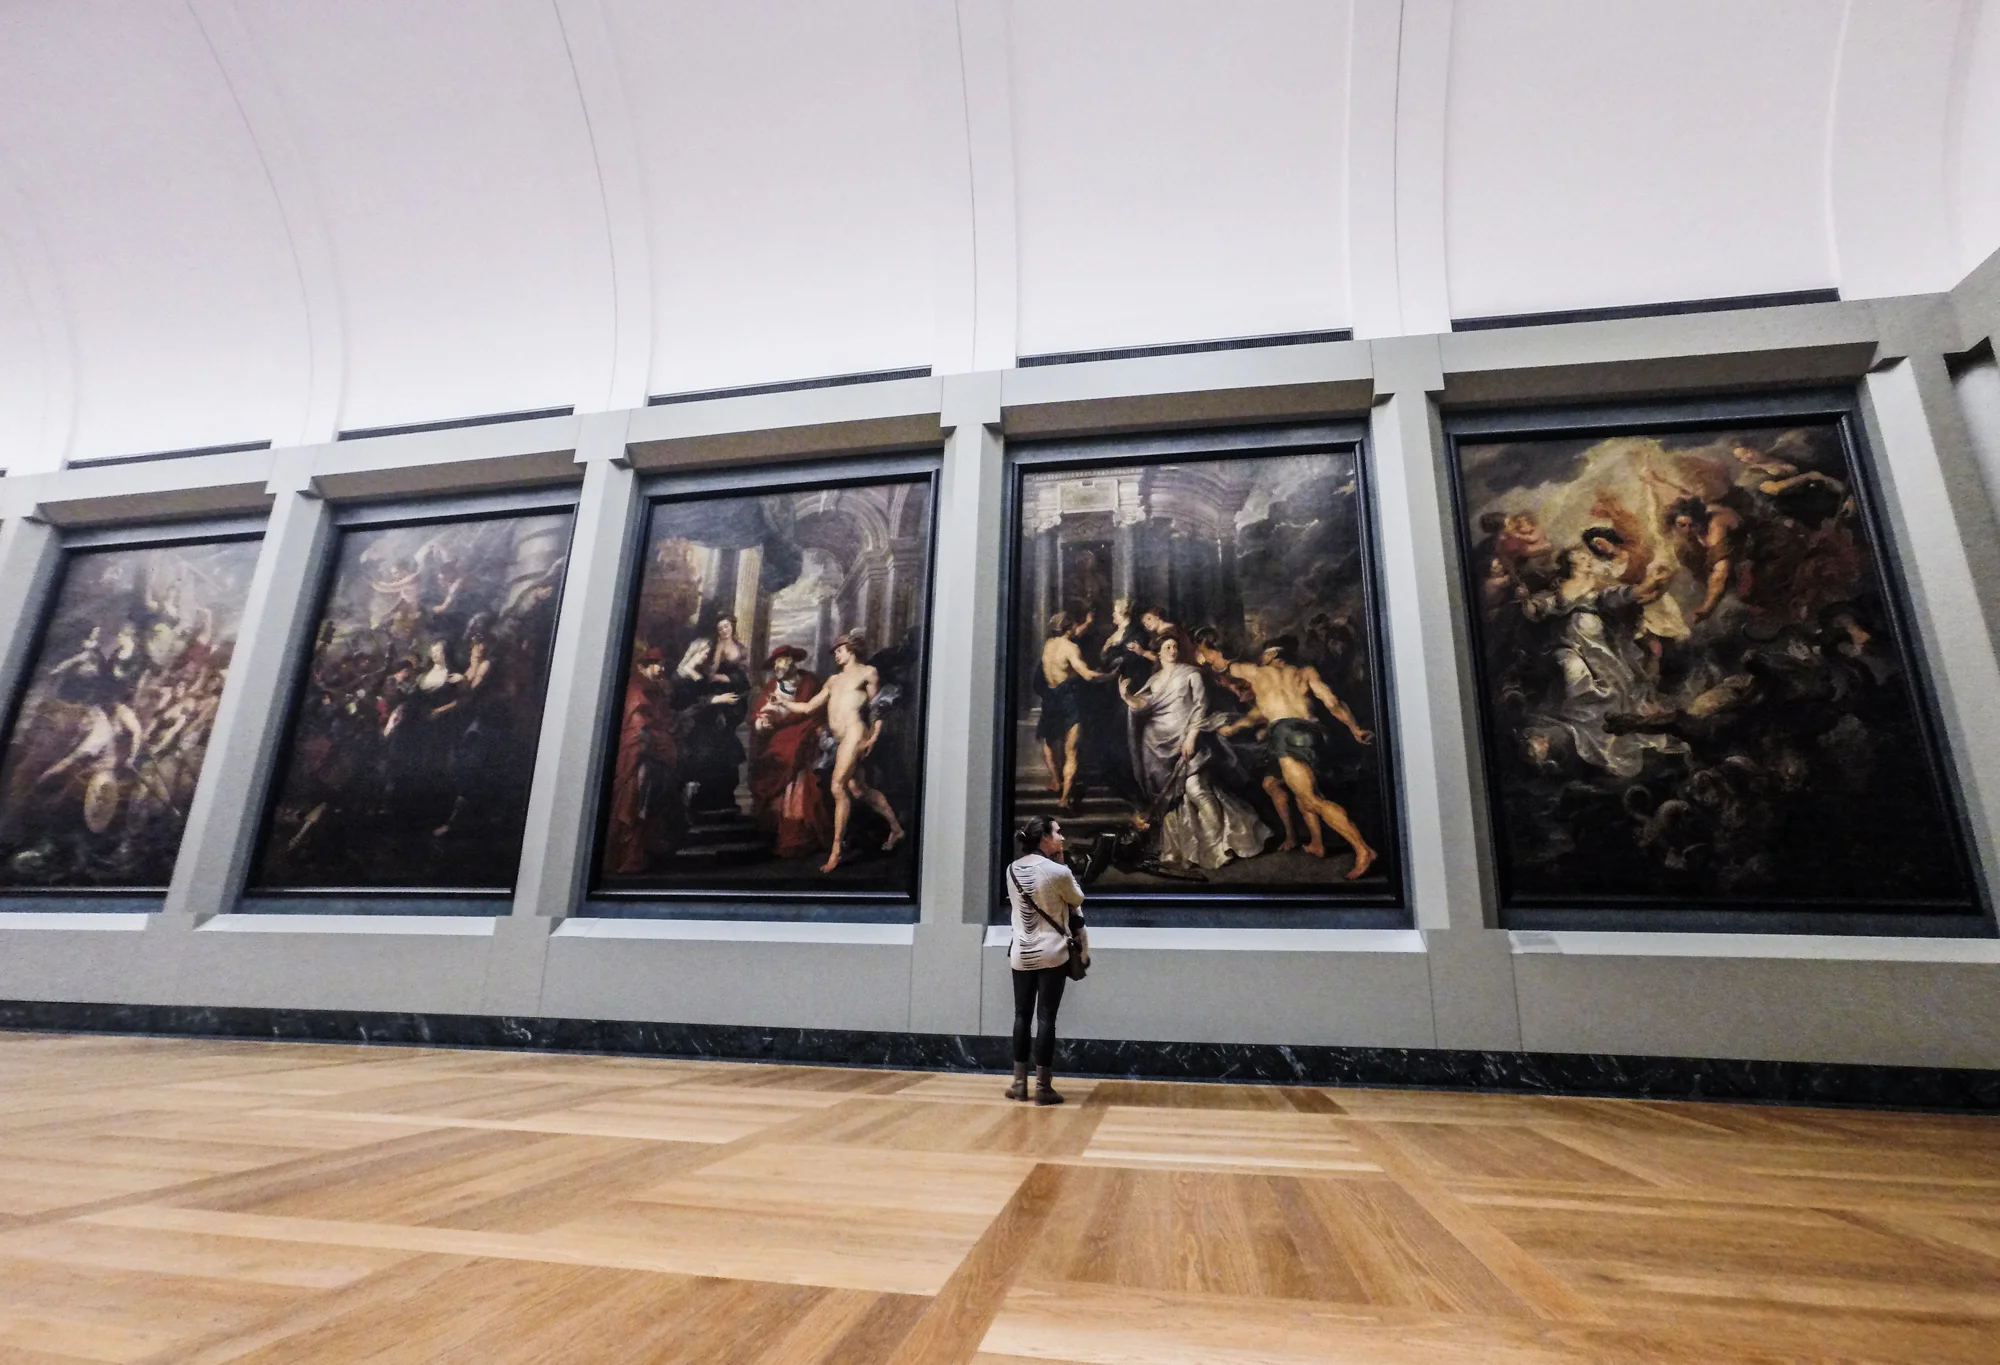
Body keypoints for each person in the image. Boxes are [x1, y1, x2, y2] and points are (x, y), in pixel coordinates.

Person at [1219, 636, 1378, 877]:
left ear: (1272, 655)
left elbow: (1220, 664)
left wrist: (1206, 655)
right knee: (1284, 785)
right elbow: (1332, 702)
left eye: (1264, 655)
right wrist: (1354, 728)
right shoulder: (1306, 672)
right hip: (1312, 734)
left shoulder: (1257, 673)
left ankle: (1364, 850)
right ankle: (1316, 843)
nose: (1261, 658)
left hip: (1286, 734)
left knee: (1311, 797)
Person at [1116, 630, 1269, 871]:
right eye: (1167, 647)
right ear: (1157, 652)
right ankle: (1181, 851)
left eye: (1175, 646)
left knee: (1197, 789)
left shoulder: (1192, 673)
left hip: (1188, 739)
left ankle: (1218, 846)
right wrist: (1127, 697)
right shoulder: (1154, 680)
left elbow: (1201, 706)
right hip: (1156, 745)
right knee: (1172, 800)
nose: (1173, 650)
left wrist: (1191, 737)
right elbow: (1143, 707)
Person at [771, 632, 904, 872]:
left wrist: (874, 736)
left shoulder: (868, 673)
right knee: (859, 790)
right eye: (835, 652)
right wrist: (783, 701)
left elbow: (878, 707)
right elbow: (809, 707)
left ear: (851, 649)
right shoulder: (833, 681)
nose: (836, 655)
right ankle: (896, 828)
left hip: (855, 733)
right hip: (838, 739)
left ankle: (836, 850)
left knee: (837, 787)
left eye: (839, 650)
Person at [1003, 816, 1088, 1105]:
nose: (1062, 837)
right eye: (1057, 832)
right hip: (1052, 952)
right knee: (1046, 1018)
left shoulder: (1011, 869)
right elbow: (1077, 899)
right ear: (1044, 838)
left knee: (1020, 1016)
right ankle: (1043, 1087)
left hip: (1021, 952)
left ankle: (1018, 1084)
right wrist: (1063, 863)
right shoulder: (1057, 871)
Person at [748, 644, 828, 858]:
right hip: (780, 736)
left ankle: (800, 833)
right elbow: (760, 715)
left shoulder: (810, 682)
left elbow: (819, 710)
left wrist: (819, 727)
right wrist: (761, 724)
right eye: (775, 664)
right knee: (774, 761)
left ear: (792, 661)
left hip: (806, 733)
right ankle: (776, 828)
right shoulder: (772, 686)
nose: (778, 667)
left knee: (800, 760)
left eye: (781, 662)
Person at [1036, 611, 1104, 810]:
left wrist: (1088, 623)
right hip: (1068, 700)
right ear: (1069, 628)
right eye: (1075, 625)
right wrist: (1109, 675)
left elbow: (1072, 634)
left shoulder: (1049, 645)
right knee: (1071, 750)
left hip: (1050, 698)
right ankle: (1064, 798)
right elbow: (1088, 676)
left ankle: (1056, 780)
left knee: (1049, 742)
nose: (1077, 628)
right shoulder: (1071, 648)